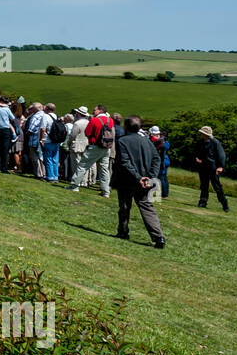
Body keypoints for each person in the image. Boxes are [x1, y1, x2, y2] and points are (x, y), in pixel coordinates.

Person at [113, 116, 166, 248]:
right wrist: (150, 177)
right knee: (147, 207)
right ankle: (159, 236)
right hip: (145, 180)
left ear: (126, 127)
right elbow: (156, 159)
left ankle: (123, 231)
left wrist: (138, 177)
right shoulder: (147, 141)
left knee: (125, 207)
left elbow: (125, 162)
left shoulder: (122, 141)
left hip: (127, 179)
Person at [70, 105, 114, 195]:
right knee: (104, 169)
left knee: (82, 166)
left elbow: (87, 132)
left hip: (95, 146)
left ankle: (74, 186)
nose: (93, 111)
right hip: (106, 147)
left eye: (95, 110)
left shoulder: (94, 120)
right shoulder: (110, 120)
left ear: (100, 110)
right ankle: (106, 191)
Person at [194, 125, 230, 211]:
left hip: (213, 168)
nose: (200, 134)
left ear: (206, 134)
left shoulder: (215, 142)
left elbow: (222, 155)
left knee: (217, 187)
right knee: (204, 186)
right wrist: (197, 158)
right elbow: (197, 152)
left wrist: (221, 166)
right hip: (203, 167)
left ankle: (225, 205)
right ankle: (202, 203)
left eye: (201, 133)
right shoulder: (200, 142)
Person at [42, 104, 64, 182]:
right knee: (55, 159)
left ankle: (50, 176)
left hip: (48, 140)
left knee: (48, 158)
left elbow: (43, 129)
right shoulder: (57, 117)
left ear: (47, 108)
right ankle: (55, 176)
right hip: (57, 140)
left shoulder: (46, 116)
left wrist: (41, 139)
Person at [149, 126, 171, 200]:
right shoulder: (167, 142)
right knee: (164, 177)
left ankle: (164, 194)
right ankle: (166, 193)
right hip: (166, 160)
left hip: (163, 161)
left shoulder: (161, 143)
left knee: (161, 177)